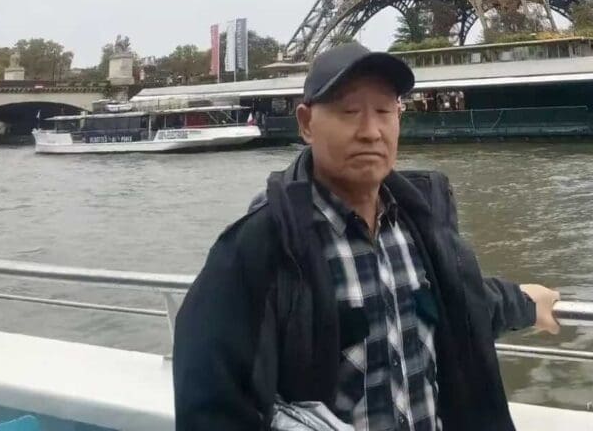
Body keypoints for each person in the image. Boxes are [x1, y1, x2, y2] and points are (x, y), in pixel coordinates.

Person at [173, 43, 560, 431]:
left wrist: (528, 302)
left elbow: (462, 303)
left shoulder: (421, 227)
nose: (370, 132)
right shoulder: (255, 250)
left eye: (384, 111)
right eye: (349, 112)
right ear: (306, 123)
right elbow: (211, 401)